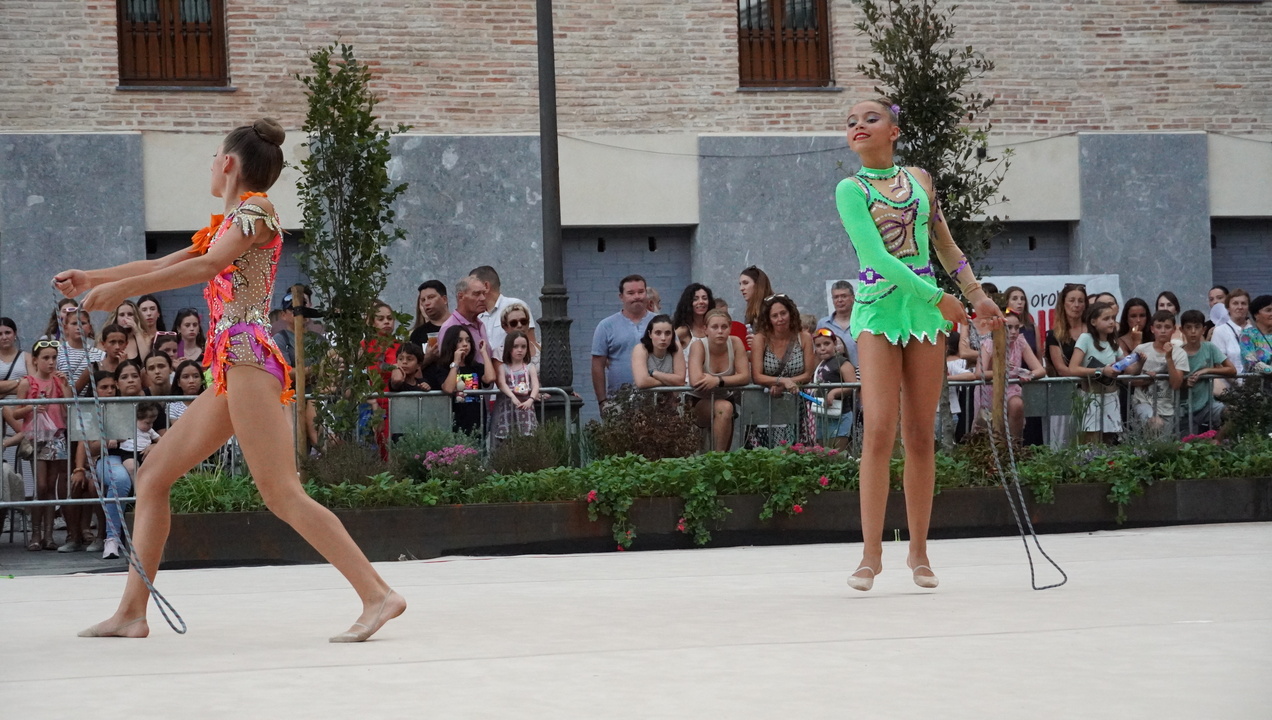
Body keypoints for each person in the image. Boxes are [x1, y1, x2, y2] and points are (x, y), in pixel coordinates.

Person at [54, 118, 403, 641]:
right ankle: (131, 612)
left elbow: (207, 266)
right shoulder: (229, 223)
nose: (211, 164)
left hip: (248, 359)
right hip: (231, 366)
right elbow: (166, 261)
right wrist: (94, 278)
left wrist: (122, 291)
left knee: (281, 493)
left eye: (214, 156)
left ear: (230, 163)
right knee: (153, 477)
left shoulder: (257, 211)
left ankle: (377, 594)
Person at [837, 98, 1003, 591]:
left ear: (894, 130)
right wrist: (940, 297)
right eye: (851, 122)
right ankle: (870, 555)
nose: (859, 126)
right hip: (879, 312)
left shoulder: (920, 180)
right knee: (878, 431)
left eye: (870, 118)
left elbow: (944, 244)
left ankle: (919, 552)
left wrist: (977, 296)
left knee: (920, 434)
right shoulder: (850, 189)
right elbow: (875, 257)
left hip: (925, 317)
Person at [13, 340, 71, 551]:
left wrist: (65, 386)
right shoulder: (27, 383)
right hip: (36, 437)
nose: (51, 362)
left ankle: (48, 535)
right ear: (35, 360)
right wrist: (32, 406)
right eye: (46, 358)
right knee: (41, 486)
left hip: (57, 435)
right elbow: (15, 412)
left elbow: (69, 407)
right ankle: (35, 533)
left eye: (54, 358)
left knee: (52, 486)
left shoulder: (58, 381)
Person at [748, 294, 815, 447]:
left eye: (783, 313)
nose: (780, 319)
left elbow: (807, 374)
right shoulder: (760, 339)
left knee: (796, 447)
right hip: (766, 402)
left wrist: (785, 385)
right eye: (775, 315)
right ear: (768, 319)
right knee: (765, 449)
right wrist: (782, 381)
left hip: (797, 403)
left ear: (791, 313)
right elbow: (757, 376)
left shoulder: (804, 337)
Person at [71, 371, 123, 559]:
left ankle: (101, 536)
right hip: (89, 461)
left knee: (95, 486)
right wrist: (79, 469)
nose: (109, 391)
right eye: (104, 387)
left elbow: (115, 442)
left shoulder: (121, 408)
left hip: (107, 460)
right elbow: (83, 443)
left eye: (112, 387)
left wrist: (99, 444)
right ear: (95, 390)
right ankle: (74, 536)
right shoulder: (86, 411)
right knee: (75, 483)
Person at [973, 309, 1046, 442]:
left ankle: (1014, 445)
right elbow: (979, 373)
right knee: (986, 431)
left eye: (1017, 328)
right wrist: (1000, 370)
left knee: (1017, 405)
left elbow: (1040, 370)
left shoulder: (1020, 342)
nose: (1014, 331)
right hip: (989, 390)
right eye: (1009, 327)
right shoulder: (989, 343)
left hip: (1010, 387)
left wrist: (1029, 375)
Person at [687, 308, 751, 452]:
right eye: (715, 327)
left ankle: (720, 458)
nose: (720, 331)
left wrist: (718, 381)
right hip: (698, 400)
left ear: (730, 329)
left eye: (724, 327)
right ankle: (718, 459)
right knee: (724, 407)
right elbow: (695, 379)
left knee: (726, 407)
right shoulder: (698, 345)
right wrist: (731, 379)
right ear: (705, 329)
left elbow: (744, 376)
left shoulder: (735, 343)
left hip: (725, 398)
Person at [1067, 302, 1124, 444]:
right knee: (1091, 439)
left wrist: (1139, 361)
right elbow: (1073, 368)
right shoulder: (1085, 339)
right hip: (1090, 397)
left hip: (1111, 397)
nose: (1111, 322)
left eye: (1113, 318)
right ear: (1093, 322)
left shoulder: (1113, 342)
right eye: (1106, 318)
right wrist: (1101, 371)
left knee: (1109, 440)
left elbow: (1128, 368)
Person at [591, 274, 652, 407]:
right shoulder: (606, 326)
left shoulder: (660, 323)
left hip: (656, 400)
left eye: (641, 292)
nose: (637, 296)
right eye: (631, 293)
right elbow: (597, 365)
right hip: (619, 401)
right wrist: (602, 401)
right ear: (621, 297)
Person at [421, 325, 495, 436]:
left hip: (476, 422)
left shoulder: (475, 367)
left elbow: (490, 378)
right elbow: (448, 388)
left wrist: (484, 352)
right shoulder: (443, 367)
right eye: (459, 341)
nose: (465, 344)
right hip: (454, 423)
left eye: (468, 340)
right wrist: (455, 362)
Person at [1127, 311, 1188, 435]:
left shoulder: (1180, 353)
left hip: (1166, 407)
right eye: (1159, 327)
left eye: (1167, 327)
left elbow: (1176, 384)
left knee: (1163, 442)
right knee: (1155, 424)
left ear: (1174, 330)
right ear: (1152, 329)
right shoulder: (1140, 349)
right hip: (1143, 402)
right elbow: (1127, 377)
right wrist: (1145, 377)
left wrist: (1169, 358)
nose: (1163, 331)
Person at [1178, 309, 1236, 434]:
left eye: (1197, 327)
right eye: (1188, 327)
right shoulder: (1177, 353)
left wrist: (1207, 370)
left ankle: (1218, 441)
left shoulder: (1209, 348)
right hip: (1184, 408)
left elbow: (1232, 370)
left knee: (1234, 413)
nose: (1193, 331)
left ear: (1203, 330)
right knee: (1187, 442)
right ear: (1182, 330)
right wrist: (1185, 383)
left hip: (1208, 405)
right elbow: (1173, 381)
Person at [1044, 283, 1088, 448]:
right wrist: (1091, 374)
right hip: (1064, 392)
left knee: (1088, 438)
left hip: (1091, 390)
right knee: (1062, 440)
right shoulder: (1054, 335)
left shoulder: (1092, 331)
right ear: (1063, 303)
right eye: (1072, 300)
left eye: (1080, 301)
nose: (1076, 305)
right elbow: (1061, 368)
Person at [472, 266, 535, 360]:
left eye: (473, 286)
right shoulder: (476, 315)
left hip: (513, 367)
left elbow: (531, 343)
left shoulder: (516, 306)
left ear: (486, 286)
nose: (469, 290)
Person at [810, 327, 856, 450]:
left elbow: (853, 385)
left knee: (836, 452)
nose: (822, 348)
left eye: (827, 344)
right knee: (823, 452)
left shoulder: (842, 362)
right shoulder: (819, 364)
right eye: (818, 345)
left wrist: (834, 392)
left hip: (840, 414)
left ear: (835, 344)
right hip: (822, 414)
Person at [492, 330, 540, 445]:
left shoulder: (530, 367)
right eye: (515, 346)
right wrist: (512, 396)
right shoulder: (503, 367)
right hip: (508, 407)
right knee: (507, 441)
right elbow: (502, 384)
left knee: (527, 439)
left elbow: (535, 385)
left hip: (526, 408)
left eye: (523, 347)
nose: (520, 350)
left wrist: (531, 400)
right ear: (509, 348)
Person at [439, 274, 491, 356]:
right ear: (461, 296)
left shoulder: (480, 324)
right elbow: (446, 361)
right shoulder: (449, 327)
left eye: (484, 293)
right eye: (477, 294)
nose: (483, 298)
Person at [632, 314, 686, 393]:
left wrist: (654, 373)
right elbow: (642, 382)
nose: (663, 338)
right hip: (643, 399)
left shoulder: (676, 347)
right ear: (650, 334)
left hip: (670, 399)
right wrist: (670, 382)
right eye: (658, 333)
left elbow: (680, 381)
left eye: (667, 333)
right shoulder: (640, 349)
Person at [816, 280, 860, 370]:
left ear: (853, 298)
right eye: (836, 297)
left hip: (860, 374)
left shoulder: (862, 323)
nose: (840, 300)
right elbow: (817, 354)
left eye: (844, 296)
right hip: (832, 376)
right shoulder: (823, 324)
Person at [1211, 289, 1251, 373]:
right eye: (1235, 303)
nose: (1240, 307)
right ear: (1228, 307)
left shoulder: (1255, 331)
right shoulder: (1220, 331)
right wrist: (1234, 380)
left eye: (1243, 303)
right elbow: (1218, 363)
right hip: (1230, 380)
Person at [672, 283, 715, 359]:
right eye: (695, 299)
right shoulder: (683, 330)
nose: (701, 302)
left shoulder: (713, 328)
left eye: (704, 298)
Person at [738, 266, 773, 350]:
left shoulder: (773, 309)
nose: (741, 288)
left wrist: (760, 342)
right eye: (740, 284)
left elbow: (782, 339)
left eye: (745, 283)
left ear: (758, 285)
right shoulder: (750, 312)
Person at [409, 279, 451, 348]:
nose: (426, 303)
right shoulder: (417, 334)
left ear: (444, 299)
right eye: (423, 300)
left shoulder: (460, 325)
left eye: (431, 297)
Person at [499, 303, 540, 369]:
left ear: (528, 323)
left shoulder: (540, 347)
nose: (519, 325)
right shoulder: (499, 353)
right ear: (505, 327)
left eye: (523, 321)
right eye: (513, 323)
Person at [1239, 294, 1272, 376]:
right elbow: (1251, 363)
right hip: (1258, 382)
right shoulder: (1247, 335)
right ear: (1256, 315)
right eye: (1268, 310)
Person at [168, 359, 206, 424]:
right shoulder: (173, 407)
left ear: (201, 380)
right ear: (178, 382)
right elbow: (178, 428)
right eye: (185, 377)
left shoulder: (209, 403)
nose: (191, 381)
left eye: (196, 376)